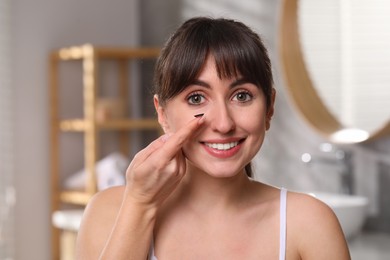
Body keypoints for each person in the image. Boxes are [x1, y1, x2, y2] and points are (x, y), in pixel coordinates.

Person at [75, 17, 351, 260]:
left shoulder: (309, 223)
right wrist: (140, 204)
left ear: (269, 108)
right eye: (196, 98)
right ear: (162, 113)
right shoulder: (109, 212)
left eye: (241, 96)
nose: (223, 123)